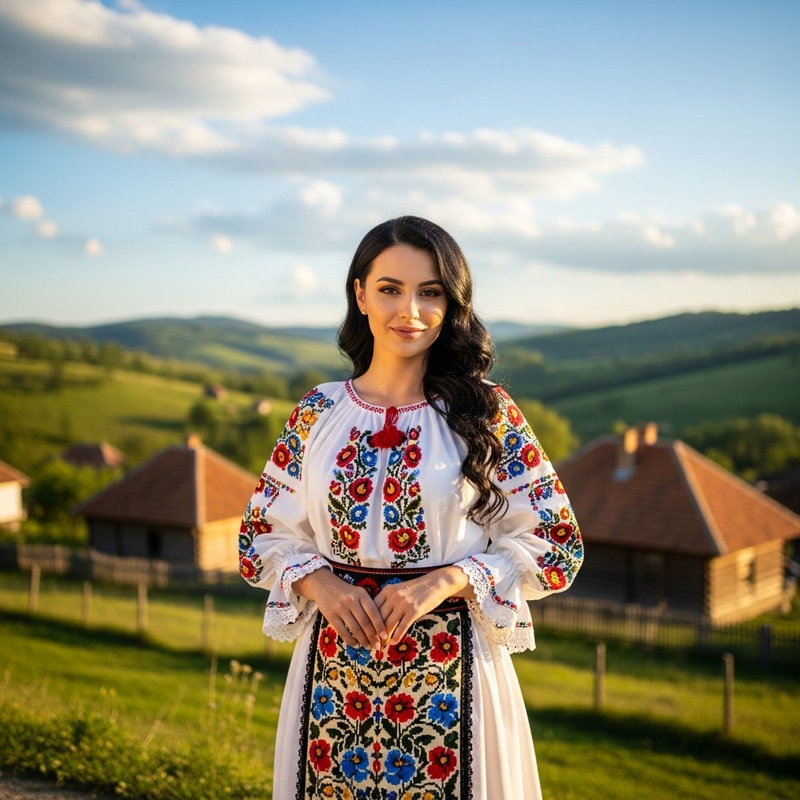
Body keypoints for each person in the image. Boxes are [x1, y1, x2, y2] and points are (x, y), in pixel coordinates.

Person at [239, 216, 584, 799]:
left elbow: (557, 544)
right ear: (360, 294)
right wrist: (320, 583)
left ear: (452, 305)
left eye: (431, 293)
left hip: (455, 672)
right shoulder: (316, 413)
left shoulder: (487, 412)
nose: (411, 311)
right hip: (331, 673)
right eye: (391, 289)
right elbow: (259, 538)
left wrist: (447, 580)